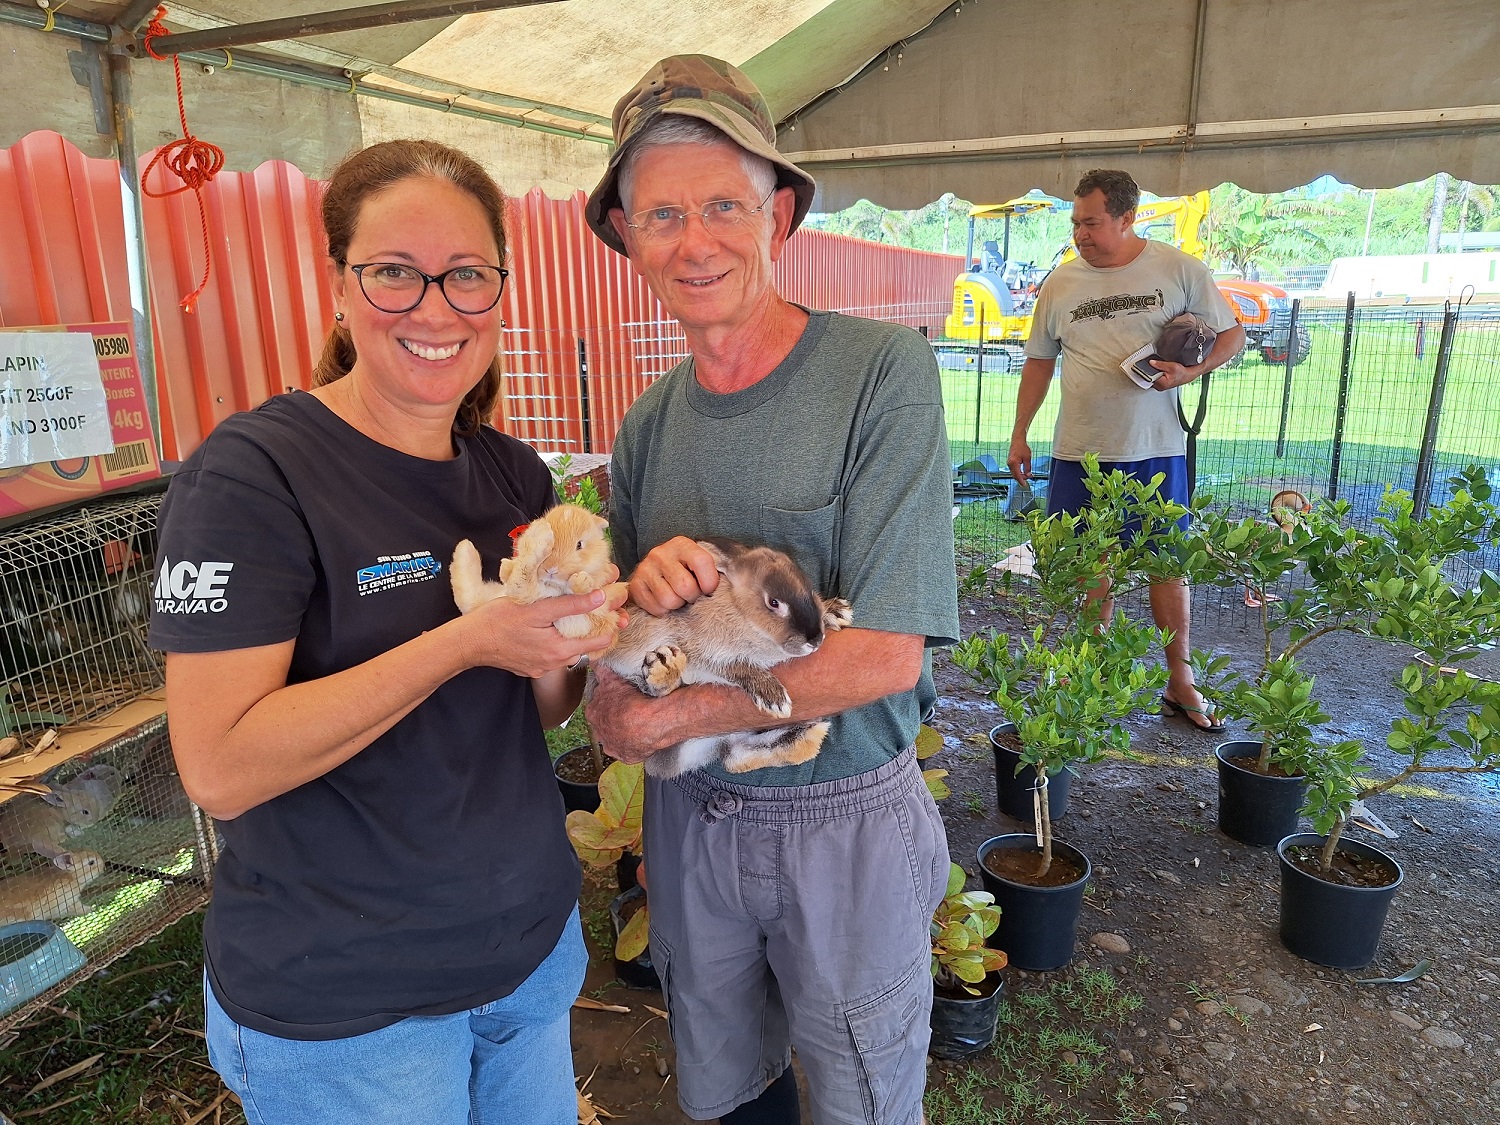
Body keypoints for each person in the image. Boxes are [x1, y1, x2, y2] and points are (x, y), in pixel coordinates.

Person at [148, 139, 627, 1125]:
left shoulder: (513, 475)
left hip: (528, 959)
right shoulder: (255, 474)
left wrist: (570, 640)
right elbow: (220, 765)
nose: (435, 306)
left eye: (467, 276)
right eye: (394, 274)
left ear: (499, 289)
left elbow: (534, 711)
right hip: (354, 1016)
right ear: (340, 289)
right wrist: (465, 641)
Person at [582, 55, 960, 1125]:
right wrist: (623, 686)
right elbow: (612, 659)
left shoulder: (881, 375)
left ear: (778, 214)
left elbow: (886, 655)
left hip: (841, 819)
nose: (692, 241)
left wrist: (666, 715)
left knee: (861, 1095)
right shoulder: (650, 425)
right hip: (692, 820)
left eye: (721, 206)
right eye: (660, 215)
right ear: (625, 239)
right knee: (723, 1083)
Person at [1008, 168, 1246, 731]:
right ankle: (1091, 676)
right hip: (1078, 452)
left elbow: (1233, 335)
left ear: (1127, 217)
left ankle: (1179, 680)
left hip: (1154, 451)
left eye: (1092, 223)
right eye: (1075, 223)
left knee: (1167, 567)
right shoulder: (1061, 283)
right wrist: (1020, 432)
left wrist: (1190, 373)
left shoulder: (1179, 269)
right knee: (1089, 566)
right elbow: (1039, 360)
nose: (1080, 235)